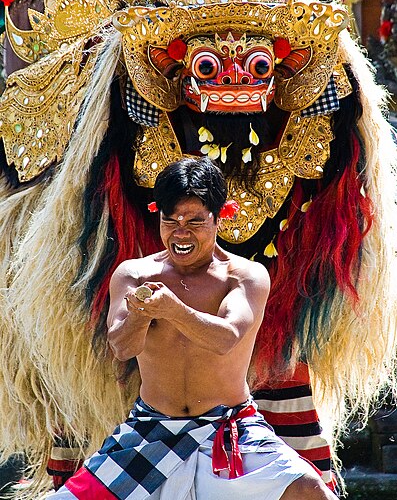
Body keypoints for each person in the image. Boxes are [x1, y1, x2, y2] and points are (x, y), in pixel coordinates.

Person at [50, 157, 336, 500]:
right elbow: (122, 348)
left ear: (221, 217)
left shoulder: (244, 276)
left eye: (194, 221)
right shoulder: (134, 274)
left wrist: (173, 310)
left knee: (309, 490)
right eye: (170, 221)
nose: (180, 233)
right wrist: (141, 314)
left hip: (230, 428)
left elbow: (226, 338)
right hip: (151, 429)